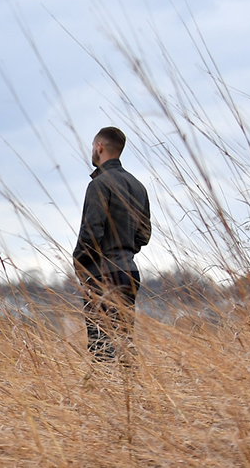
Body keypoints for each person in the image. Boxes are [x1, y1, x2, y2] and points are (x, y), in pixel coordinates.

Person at [72, 126, 151, 364]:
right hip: (129, 273)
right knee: (124, 342)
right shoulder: (138, 186)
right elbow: (144, 235)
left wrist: (78, 263)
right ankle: (132, 394)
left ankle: (107, 397)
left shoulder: (99, 185)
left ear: (100, 147)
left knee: (101, 347)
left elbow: (91, 234)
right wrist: (125, 252)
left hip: (101, 275)